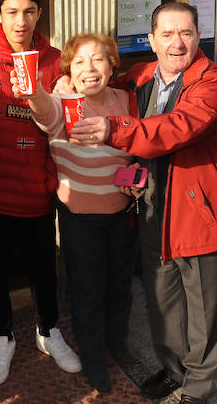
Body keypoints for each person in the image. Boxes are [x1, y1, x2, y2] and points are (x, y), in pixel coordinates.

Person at [69, 2, 217, 404]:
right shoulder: (141, 76)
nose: (176, 43)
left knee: (206, 310)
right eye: (166, 34)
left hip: (201, 212)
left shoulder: (214, 82)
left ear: (199, 37)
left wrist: (114, 129)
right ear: (151, 40)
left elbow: (178, 128)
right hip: (153, 207)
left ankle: (200, 387)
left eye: (185, 34)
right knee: (163, 301)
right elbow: (102, 82)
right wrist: (68, 83)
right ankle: (175, 368)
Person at [0, 0, 81, 386]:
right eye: (12, 12)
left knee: (42, 268)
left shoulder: (52, 58)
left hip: (37, 184)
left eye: (29, 11)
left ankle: (48, 331)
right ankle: (2, 336)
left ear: (39, 14)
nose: (21, 21)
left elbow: (64, 116)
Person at [11, 32, 136, 394]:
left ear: (113, 66)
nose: (89, 68)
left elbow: (137, 150)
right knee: (88, 290)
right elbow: (43, 109)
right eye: (79, 61)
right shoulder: (61, 103)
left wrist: (134, 179)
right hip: (79, 215)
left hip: (120, 212)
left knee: (120, 285)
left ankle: (119, 343)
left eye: (98, 59)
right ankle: (95, 359)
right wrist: (31, 88)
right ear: (69, 69)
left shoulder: (127, 100)